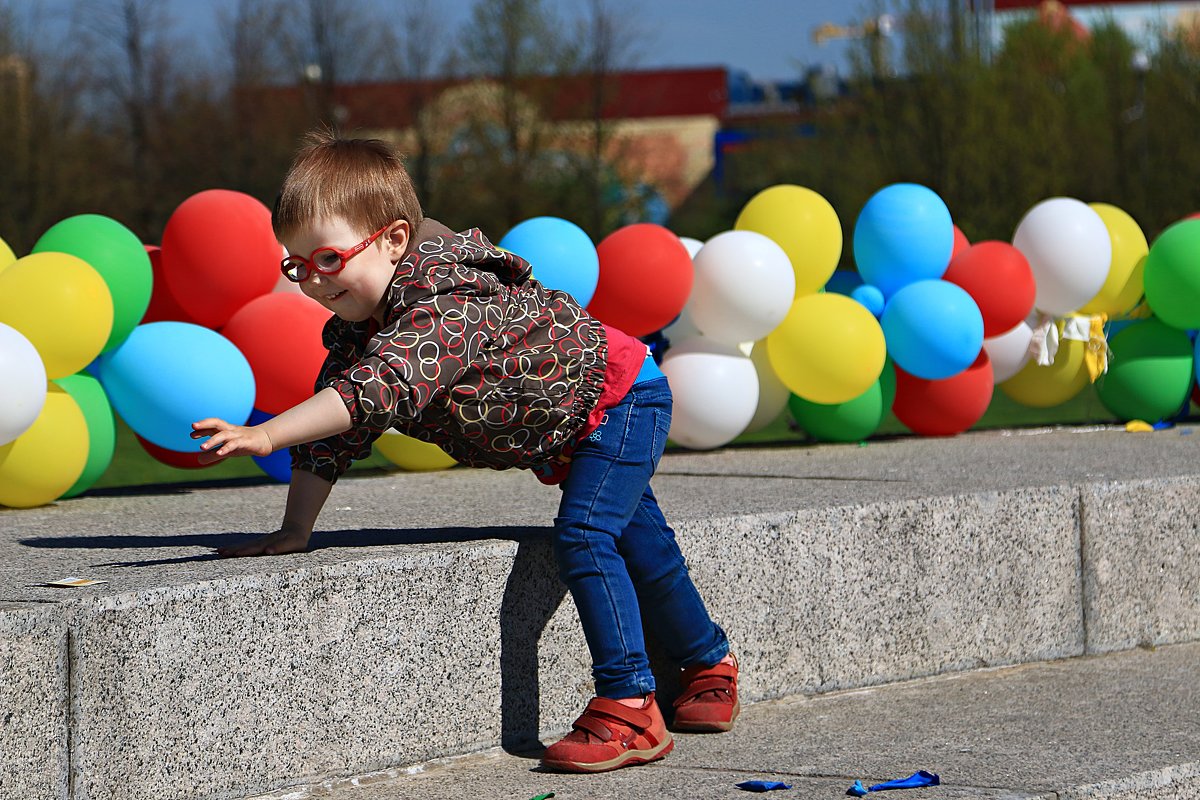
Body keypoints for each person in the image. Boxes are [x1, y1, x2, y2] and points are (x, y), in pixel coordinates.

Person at [191, 130, 739, 774]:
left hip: (620, 396)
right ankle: (708, 665)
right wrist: (295, 529)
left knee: (587, 534)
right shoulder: (355, 332)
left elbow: (382, 386)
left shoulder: (447, 302)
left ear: (394, 239)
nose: (313, 281)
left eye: (329, 259)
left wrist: (265, 433)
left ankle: (629, 701)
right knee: (643, 546)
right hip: (571, 425)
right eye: (297, 265)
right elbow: (337, 433)